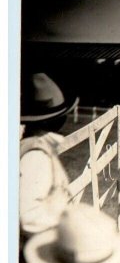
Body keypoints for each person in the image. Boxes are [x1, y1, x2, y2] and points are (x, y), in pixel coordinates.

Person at [19, 72, 75, 246]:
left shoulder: (39, 147)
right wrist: (67, 224)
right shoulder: (37, 156)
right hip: (36, 249)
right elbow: (28, 216)